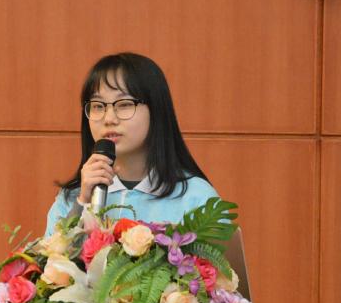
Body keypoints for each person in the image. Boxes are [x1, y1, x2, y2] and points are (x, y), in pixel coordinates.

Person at [44, 52, 219, 236]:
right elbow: (48, 255)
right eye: (98, 106)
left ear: (156, 110)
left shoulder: (196, 199)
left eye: (125, 104)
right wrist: (83, 203)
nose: (109, 119)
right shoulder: (73, 198)